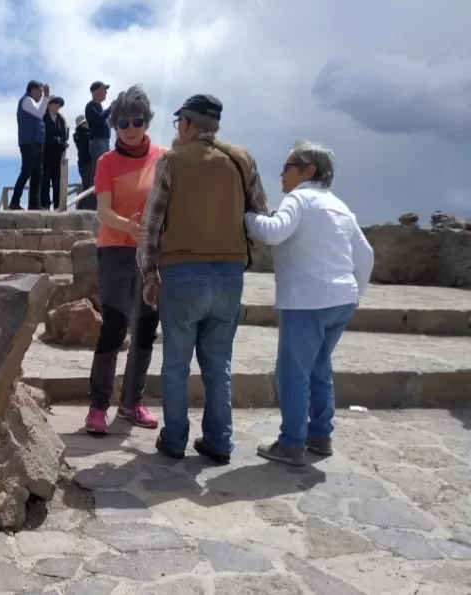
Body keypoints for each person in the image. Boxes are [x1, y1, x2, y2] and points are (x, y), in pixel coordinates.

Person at [137, 93, 270, 465]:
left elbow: (151, 227)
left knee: (176, 365)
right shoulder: (242, 160)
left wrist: (151, 275)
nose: (178, 130)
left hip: (182, 274)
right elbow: (261, 214)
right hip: (229, 275)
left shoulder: (172, 161)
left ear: (191, 124)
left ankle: (175, 438)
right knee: (218, 365)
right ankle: (218, 442)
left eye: (180, 123)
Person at [246, 141, 373, 466]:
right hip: (340, 301)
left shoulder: (299, 199)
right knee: (319, 368)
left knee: (292, 373)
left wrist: (247, 216)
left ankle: (291, 443)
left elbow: (274, 232)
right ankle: (320, 436)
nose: (281, 173)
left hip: (306, 301)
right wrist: (354, 292)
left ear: (308, 171)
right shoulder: (340, 206)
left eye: (288, 166)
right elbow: (366, 254)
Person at [83, 85, 164, 435]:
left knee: (145, 329)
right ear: (114, 124)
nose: (131, 127)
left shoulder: (164, 158)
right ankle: (98, 407)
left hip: (153, 255)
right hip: (115, 251)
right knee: (114, 328)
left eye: (138, 120)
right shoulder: (106, 162)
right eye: (123, 121)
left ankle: (132, 403)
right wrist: (129, 227)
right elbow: (102, 211)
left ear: (147, 121)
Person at [9, 80, 52, 210]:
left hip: (36, 142)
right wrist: (46, 97)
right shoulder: (27, 100)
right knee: (27, 171)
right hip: (29, 142)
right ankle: (14, 201)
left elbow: (40, 111)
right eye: (40, 91)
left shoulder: (32, 102)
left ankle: (34, 203)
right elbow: (39, 113)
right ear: (33, 90)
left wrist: (44, 98)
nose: (41, 94)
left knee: (37, 173)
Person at [82, 81, 112, 210]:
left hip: (104, 142)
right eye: (104, 89)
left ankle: (101, 204)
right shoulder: (91, 106)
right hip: (98, 142)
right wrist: (111, 108)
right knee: (98, 174)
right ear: (96, 91)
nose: (106, 92)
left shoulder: (99, 107)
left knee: (105, 172)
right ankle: (92, 206)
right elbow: (99, 120)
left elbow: (107, 123)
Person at [41, 97, 69, 210]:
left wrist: (62, 143)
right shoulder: (43, 118)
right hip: (45, 154)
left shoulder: (61, 120)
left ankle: (58, 205)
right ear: (49, 105)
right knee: (45, 180)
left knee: (57, 181)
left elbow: (64, 136)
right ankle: (45, 204)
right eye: (55, 104)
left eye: (59, 104)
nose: (57, 106)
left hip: (57, 155)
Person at [73, 115, 92, 196]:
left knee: (86, 184)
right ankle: (83, 205)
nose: (87, 124)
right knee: (87, 185)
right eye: (85, 122)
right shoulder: (84, 134)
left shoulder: (77, 135)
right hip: (86, 163)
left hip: (82, 163)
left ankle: (83, 204)